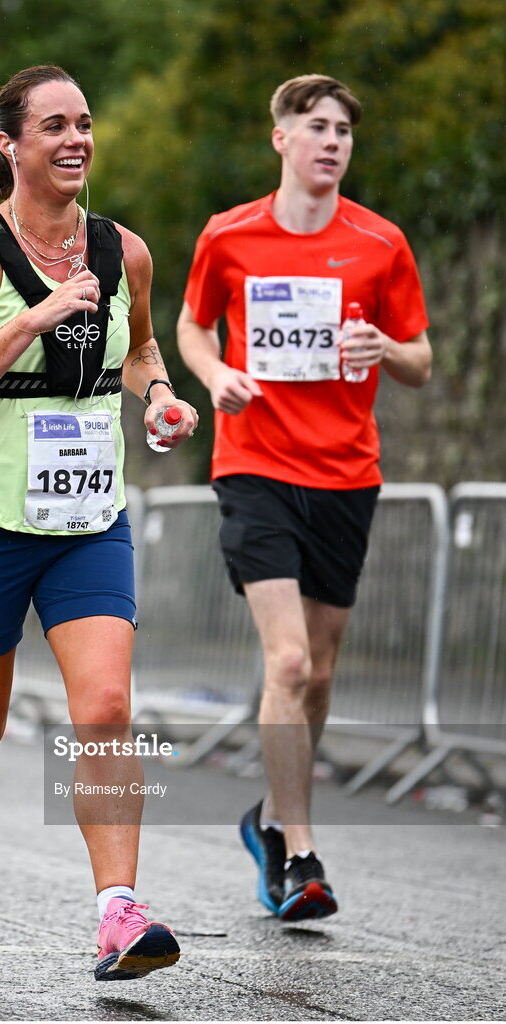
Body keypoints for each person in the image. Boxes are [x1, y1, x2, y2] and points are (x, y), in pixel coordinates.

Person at [0, 65, 197, 979]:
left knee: (108, 708)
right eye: (52, 127)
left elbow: (142, 346)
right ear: (10, 144)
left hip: (86, 520)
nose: (75, 140)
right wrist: (29, 320)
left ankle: (118, 913)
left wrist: (159, 398)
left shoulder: (124, 252)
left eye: (83, 124)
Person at [177, 74, 431, 922]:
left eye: (342, 132)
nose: (331, 142)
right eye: (314, 126)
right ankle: (302, 849)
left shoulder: (379, 244)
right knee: (286, 661)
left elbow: (422, 359)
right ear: (279, 138)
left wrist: (383, 345)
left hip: (346, 474)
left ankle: (269, 825)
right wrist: (216, 377)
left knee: (317, 673)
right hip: (254, 465)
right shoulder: (229, 235)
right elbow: (191, 325)